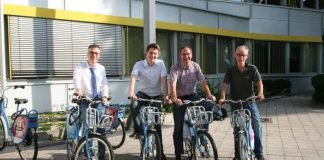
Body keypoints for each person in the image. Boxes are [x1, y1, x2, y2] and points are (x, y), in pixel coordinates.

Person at [218, 45, 265, 160]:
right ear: (235, 55)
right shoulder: (231, 70)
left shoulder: (252, 69)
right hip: (235, 104)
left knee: (257, 126)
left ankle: (259, 153)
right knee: (237, 130)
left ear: (247, 56)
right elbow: (224, 84)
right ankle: (238, 155)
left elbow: (259, 82)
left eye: (243, 55)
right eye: (239, 54)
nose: (241, 57)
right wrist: (222, 97)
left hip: (250, 102)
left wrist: (260, 93)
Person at [170, 46, 217, 160]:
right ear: (180, 55)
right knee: (178, 126)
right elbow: (173, 84)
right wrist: (175, 98)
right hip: (180, 98)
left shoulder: (195, 66)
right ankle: (178, 153)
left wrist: (209, 95)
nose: (186, 56)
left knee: (210, 106)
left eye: (188, 54)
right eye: (183, 54)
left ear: (191, 55)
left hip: (192, 95)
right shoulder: (175, 68)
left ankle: (202, 131)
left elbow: (202, 82)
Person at [128, 43, 169, 160]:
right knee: (134, 105)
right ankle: (139, 131)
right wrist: (131, 93)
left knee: (157, 125)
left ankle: (161, 153)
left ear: (158, 54)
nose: (153, 55)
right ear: (146, 53)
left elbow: (164, 81)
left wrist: (166, 96)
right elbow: (133, 78)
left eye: (155, 53)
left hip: (156, 96)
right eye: (151, 53)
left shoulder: (161, 64)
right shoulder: (139, 64)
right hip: (143, 94)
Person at [73, 44, 109, 159]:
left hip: (98, 101)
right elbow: (76, 79)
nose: (94, 55)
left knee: (101, 129)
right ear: (87, 54)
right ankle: (87, 155)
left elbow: (104, 83)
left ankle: (101, 156)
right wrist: (78, 90)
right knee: (86, 128)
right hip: (85, 101)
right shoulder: (80, 67)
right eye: (91, 52)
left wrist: (105, 96)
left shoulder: (101, 68)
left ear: (99, 56)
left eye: (96, 53)